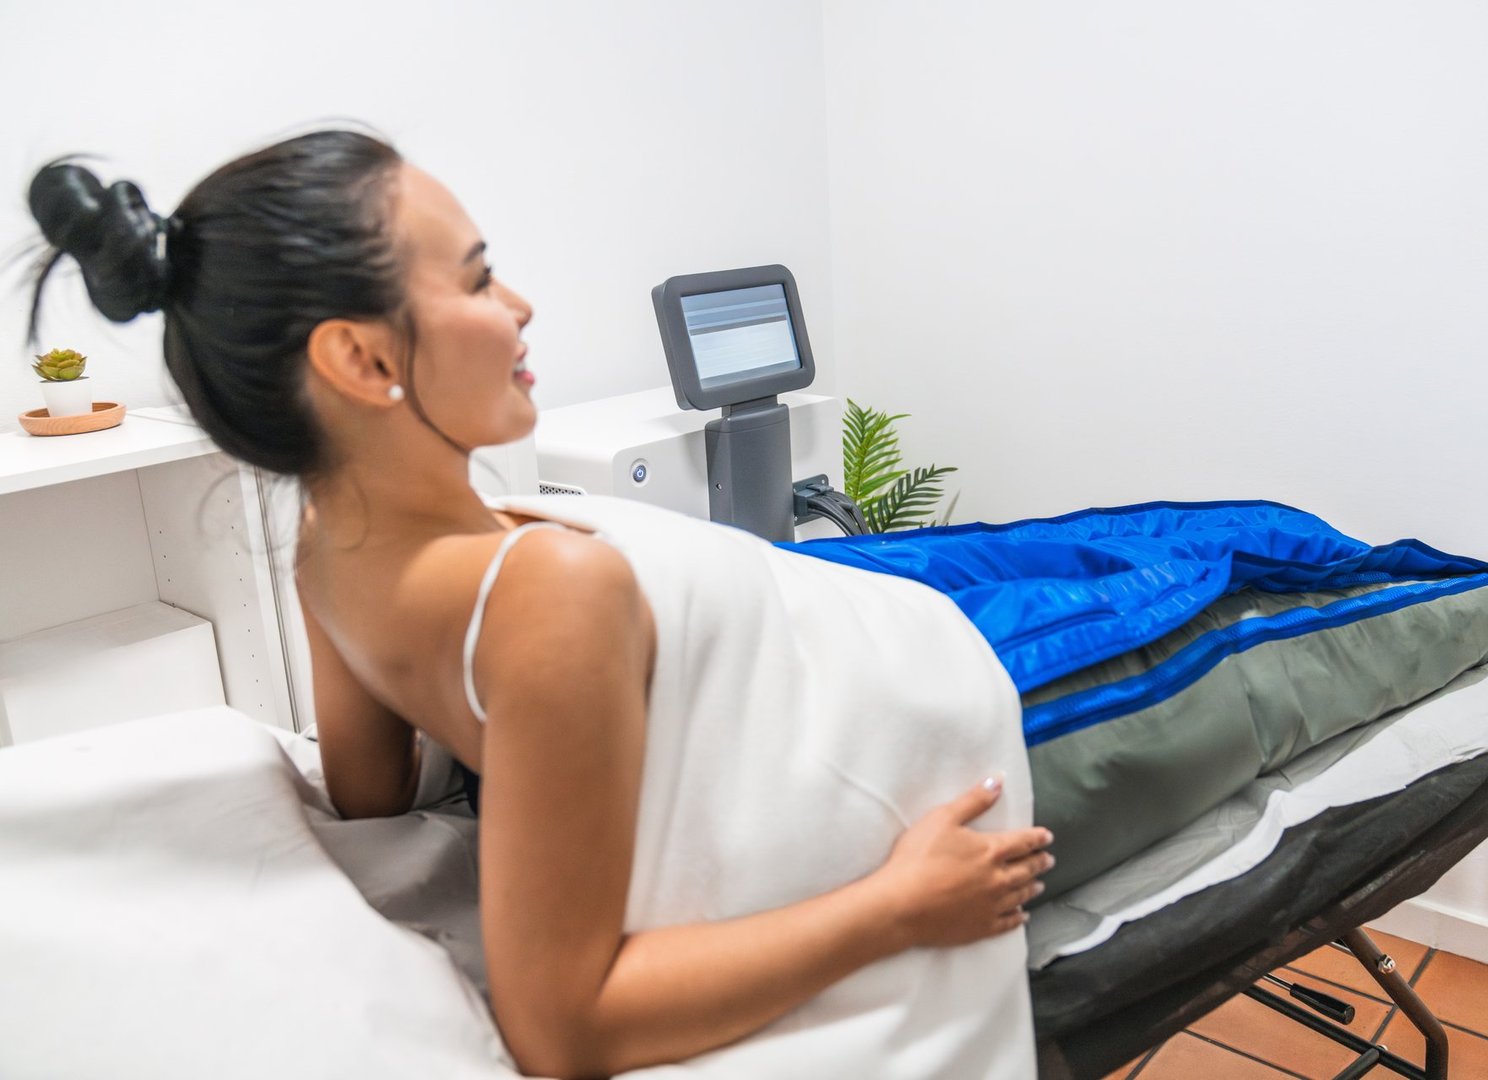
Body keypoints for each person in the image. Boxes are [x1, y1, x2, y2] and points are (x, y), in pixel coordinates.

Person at [25, 130, 1051, 1079]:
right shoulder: (548, 594)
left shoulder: (326, 549)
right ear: (360, 359)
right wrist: (899, 906)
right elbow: (562, 1024)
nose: (519, 305)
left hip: (843, 623)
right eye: (478, 278)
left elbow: (372, 796)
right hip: (934, 684)